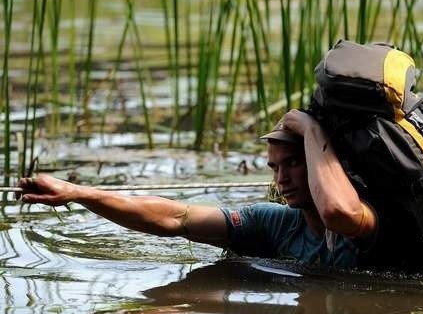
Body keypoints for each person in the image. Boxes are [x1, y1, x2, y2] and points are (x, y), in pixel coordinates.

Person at [17, 109, 380, 268]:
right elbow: (178, 218)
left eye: (294, 164)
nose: (280, 178)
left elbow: (337, 212)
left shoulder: (365, 219)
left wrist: (314, 131)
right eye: (274, 167)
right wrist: (80, 193)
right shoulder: (275, 223)